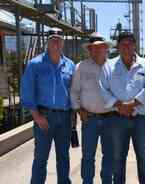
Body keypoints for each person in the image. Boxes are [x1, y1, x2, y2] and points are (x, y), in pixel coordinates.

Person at [21, 27, 75, 184]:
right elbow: (26, 91)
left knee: (63, 157)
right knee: (41, 157)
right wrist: (36, 116)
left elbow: (73, 91)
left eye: (58, 40)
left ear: (63, 42)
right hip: (44, 116)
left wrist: (73, 115)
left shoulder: (70, 65)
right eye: (52, 40)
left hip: (65, 117)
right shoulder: (35, 64)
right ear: (47, 42)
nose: (56, 43)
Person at [99, 31, 145, 184]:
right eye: (123, 43)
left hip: (140, 118)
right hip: (117, 119)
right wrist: (119, 105)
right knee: (118, 157)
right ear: (118, 46)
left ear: (135, 45)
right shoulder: (108, 66)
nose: (127, 46)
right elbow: (103, 89)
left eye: (130, 43)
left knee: (142, 155)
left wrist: (132, 104)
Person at [70, 32, 114, 184]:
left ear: (105, 48)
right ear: (89, 50)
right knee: (88, 156)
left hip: (110, 118)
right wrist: (79, 110)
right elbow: (74, 91)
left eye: (100, 47)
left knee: (109, 155)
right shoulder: (81, 67)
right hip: (90, 119)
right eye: (93, 48)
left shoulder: (113, 67)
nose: (97, 50)